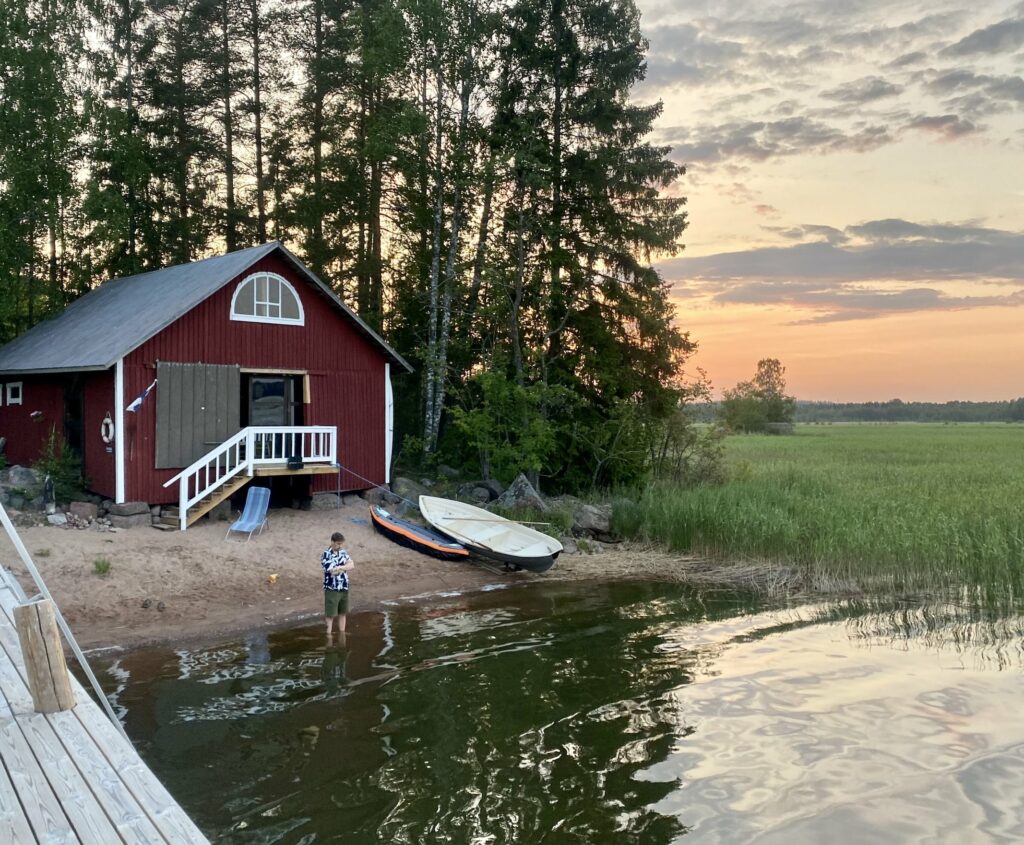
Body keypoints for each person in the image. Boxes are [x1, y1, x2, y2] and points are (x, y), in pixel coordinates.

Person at [321, 531, 354, 637]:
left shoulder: (343, 552)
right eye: (338, 544)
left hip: (344, 586)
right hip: (332, 588)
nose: (340, 546)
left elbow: (352, 565)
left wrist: (340, 567)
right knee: (330, 614)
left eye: (341, 544)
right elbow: (332, 571)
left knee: (342, 613)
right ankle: (328, 635)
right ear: (332, 542)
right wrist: (343, 567)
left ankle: (342, 634)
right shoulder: (326, 554)